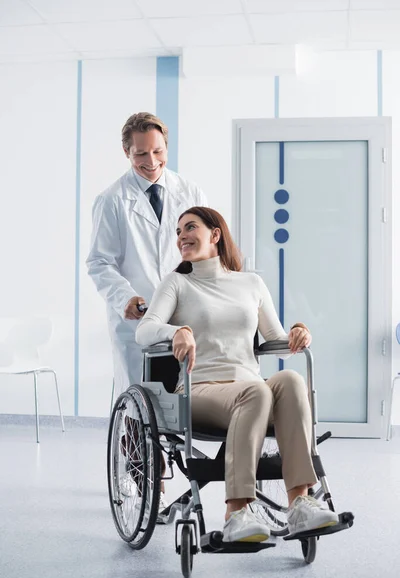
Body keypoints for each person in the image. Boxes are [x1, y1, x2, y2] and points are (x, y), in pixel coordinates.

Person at [136, 207, 339, 543]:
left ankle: (301, 503)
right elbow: (144, 331)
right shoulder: (178, 283)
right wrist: (176, 332)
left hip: (247, 389)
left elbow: (275, 338)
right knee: (257, 391)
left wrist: (299, 331)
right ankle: (237, 512)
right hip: (200, 389)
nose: (181, 236)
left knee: (290, 380)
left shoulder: (251, 283)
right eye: (177, 231)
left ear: (215, 234)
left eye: (190, 227)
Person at [87, 113, 208, 504]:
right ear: (126, 151)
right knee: (139, 401)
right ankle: (144, 478)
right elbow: (100, 262)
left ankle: (184, 464)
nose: (151, 161)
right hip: (135, 319)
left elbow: (205, 250)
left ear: (166, 148)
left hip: (183, 316)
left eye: (158, 151)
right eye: (141, 154)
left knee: (180, 396)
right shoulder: (111, 200)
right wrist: (127, 299)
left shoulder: (189, 191)